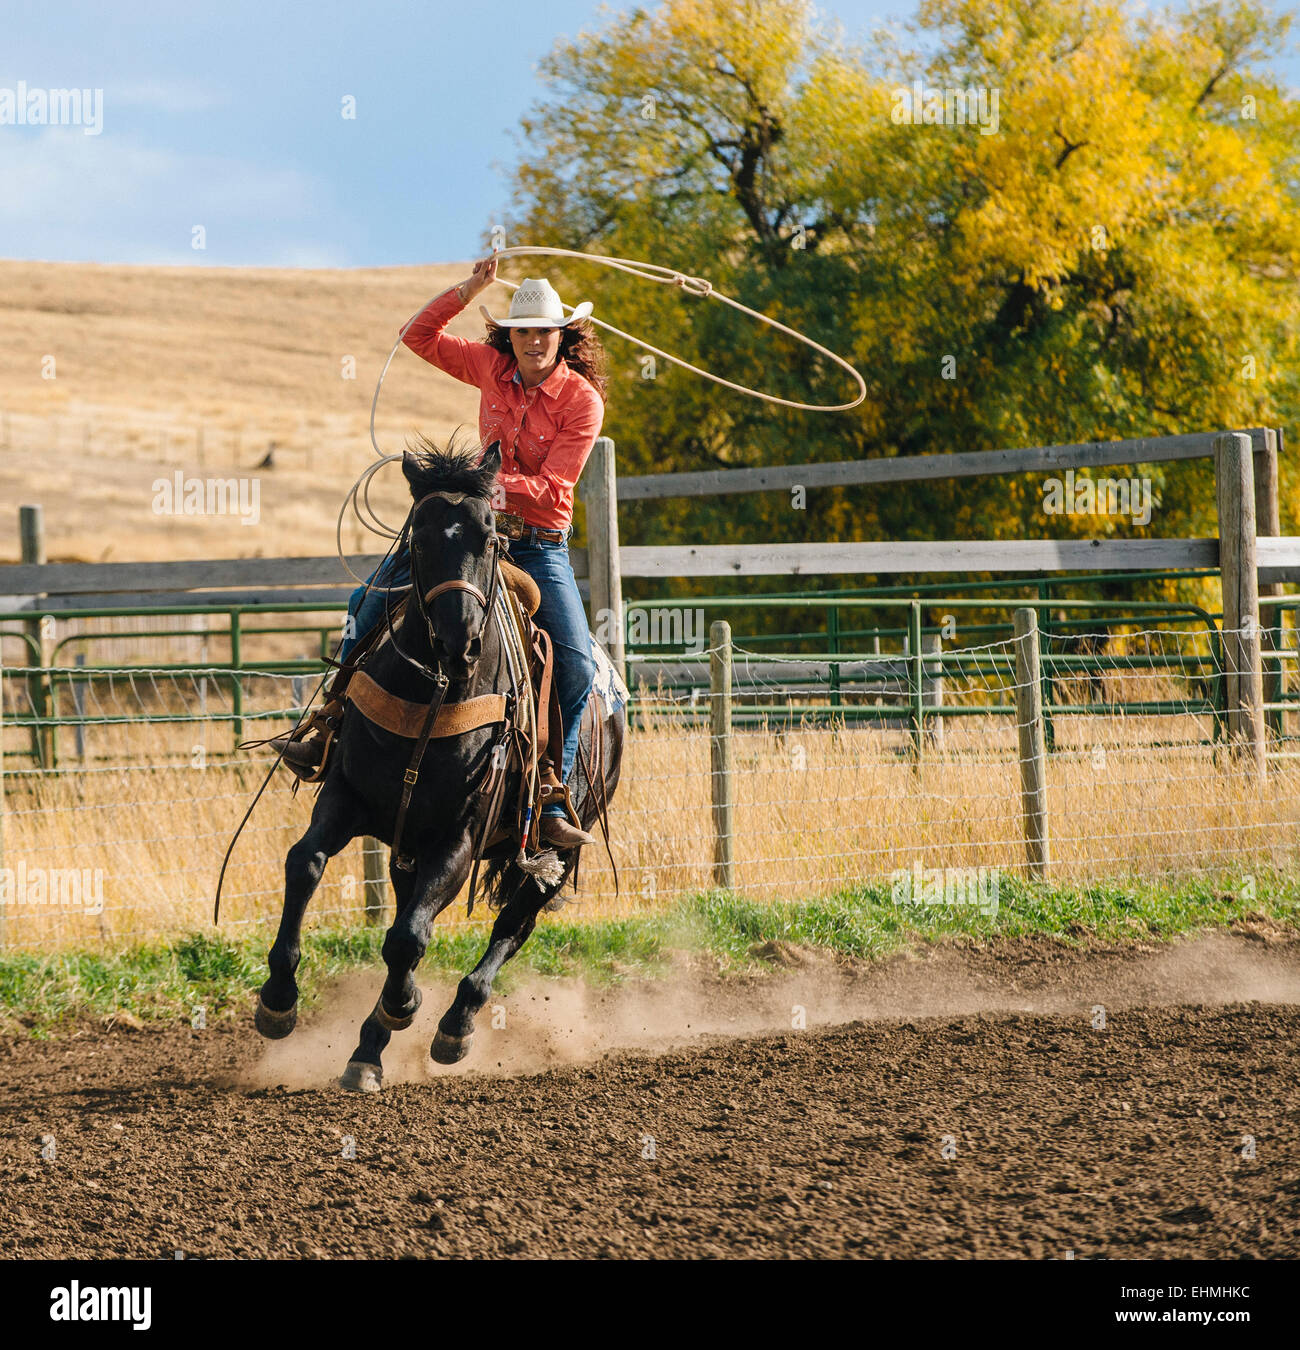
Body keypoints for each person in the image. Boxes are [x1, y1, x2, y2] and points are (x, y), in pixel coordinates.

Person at [276, 252, 606, 849]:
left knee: (577, 667)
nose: (533, 342)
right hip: (471, 537)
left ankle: (553, 790)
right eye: (523, 331)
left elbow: (555, 488)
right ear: (511, 336)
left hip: (537, 547)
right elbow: (418, 336)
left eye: (544, 332)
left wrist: (478, 488)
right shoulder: (488, 367)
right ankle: (327, 726)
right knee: (365, 600)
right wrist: (467, 288)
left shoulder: (581, 401)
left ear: (562, 336)